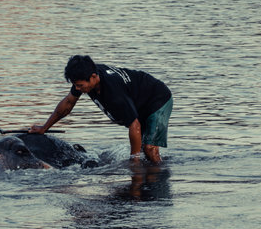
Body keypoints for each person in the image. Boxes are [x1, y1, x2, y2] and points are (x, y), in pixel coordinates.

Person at [29, 55, 173, 164]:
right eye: (75, 85)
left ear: (93, 77)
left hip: (157, 99)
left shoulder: (113, 92)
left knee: (149, 149)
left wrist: (133, 162)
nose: (78, 89)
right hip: (138, 101)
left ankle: (158, 180)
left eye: (80, 86)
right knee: (142, 150)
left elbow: (134, 126)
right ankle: (148, 178)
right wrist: (44, 128)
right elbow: (67, 104)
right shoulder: (86, 76)